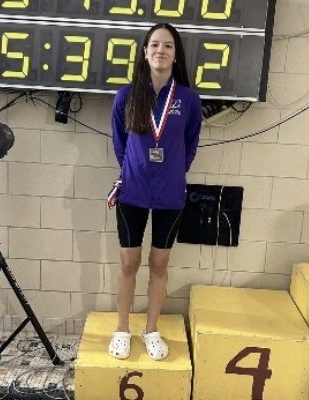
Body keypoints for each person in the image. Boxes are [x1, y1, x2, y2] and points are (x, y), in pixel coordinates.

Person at [108, 23, 202, 361]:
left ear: (176, 55)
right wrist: (135, 170)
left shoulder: (189, 100)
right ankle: (122, 329)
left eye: (168, 46)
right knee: (129, 261)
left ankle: (151, 330)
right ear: (145, 53)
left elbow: (190, 145)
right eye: (155, 45)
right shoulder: (126, 95)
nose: (161, 50)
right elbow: (120, 143)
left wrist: (172, 171)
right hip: (133, 191)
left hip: (170, 194)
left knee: (159, 263)